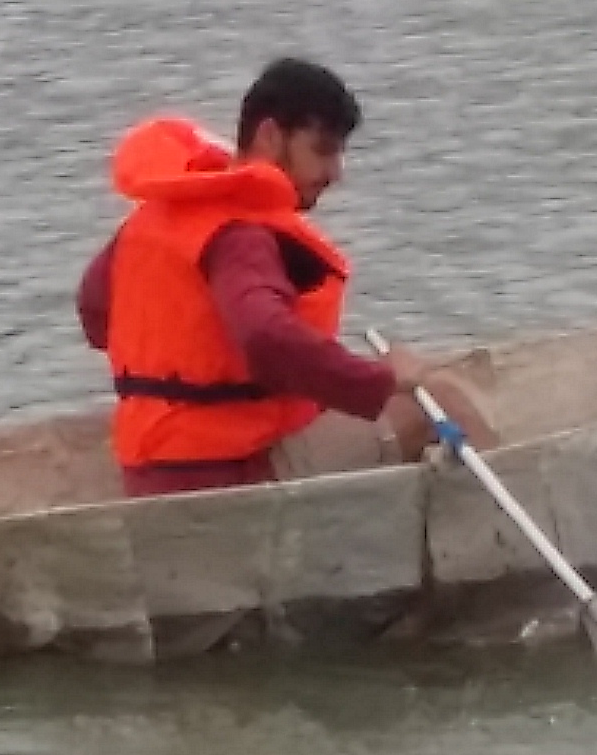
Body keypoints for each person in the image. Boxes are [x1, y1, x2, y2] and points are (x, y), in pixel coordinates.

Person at [74, 58, 493, 499]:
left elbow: (94, 311)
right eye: (323, 150)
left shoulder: (157, 216)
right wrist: (379, 380)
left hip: (147, 471)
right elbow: (263, 336)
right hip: (235, 473)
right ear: (271, 136)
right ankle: (499, 534)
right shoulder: (242, 235)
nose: (336, 172)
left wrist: (186, 355)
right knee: (440, 403)